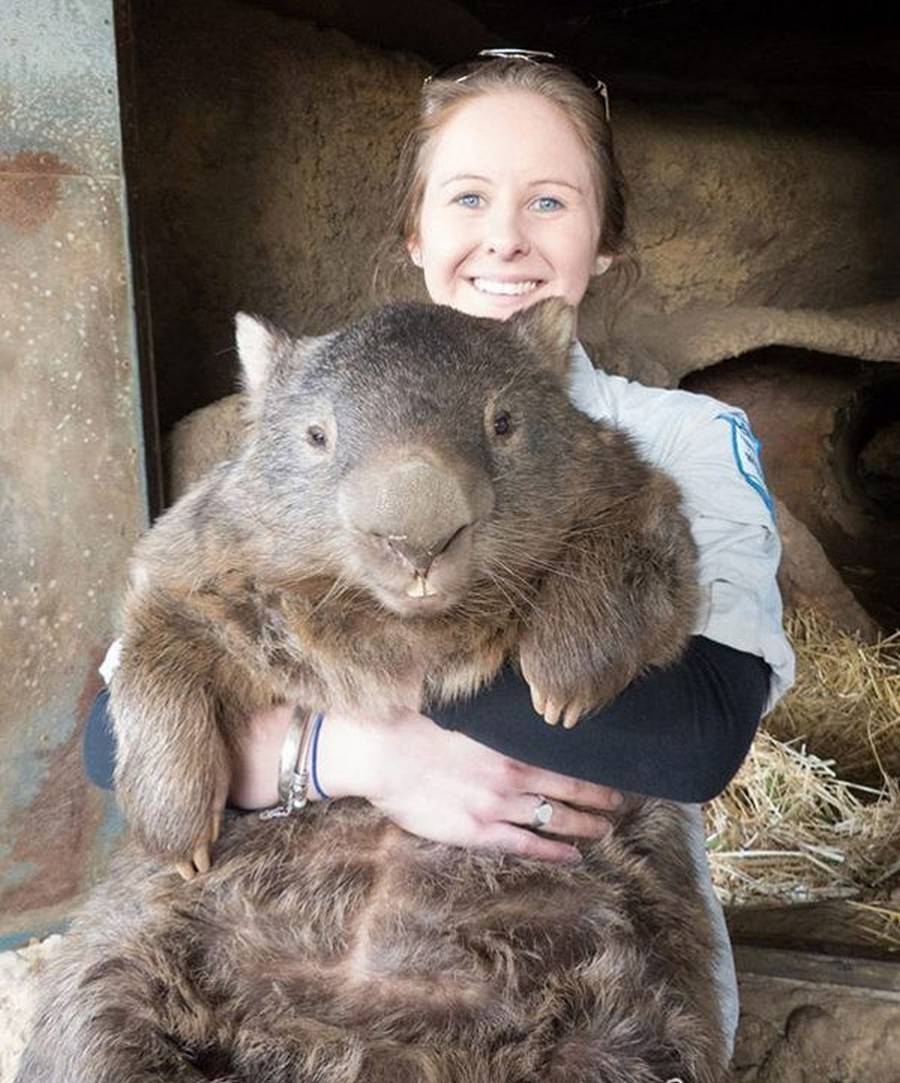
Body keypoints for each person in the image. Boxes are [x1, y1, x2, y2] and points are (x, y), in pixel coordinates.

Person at [84, 49, 794, 1054]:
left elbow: (697, 736)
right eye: (468, 197)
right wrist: (357, 754)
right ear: (415, 233)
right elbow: (121, 728)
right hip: (258, 962)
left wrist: (355, 667)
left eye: (550, 201)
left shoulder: (679, 436)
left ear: (604, 243)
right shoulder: (308, 397)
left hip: (554, 980)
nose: (504, 236)